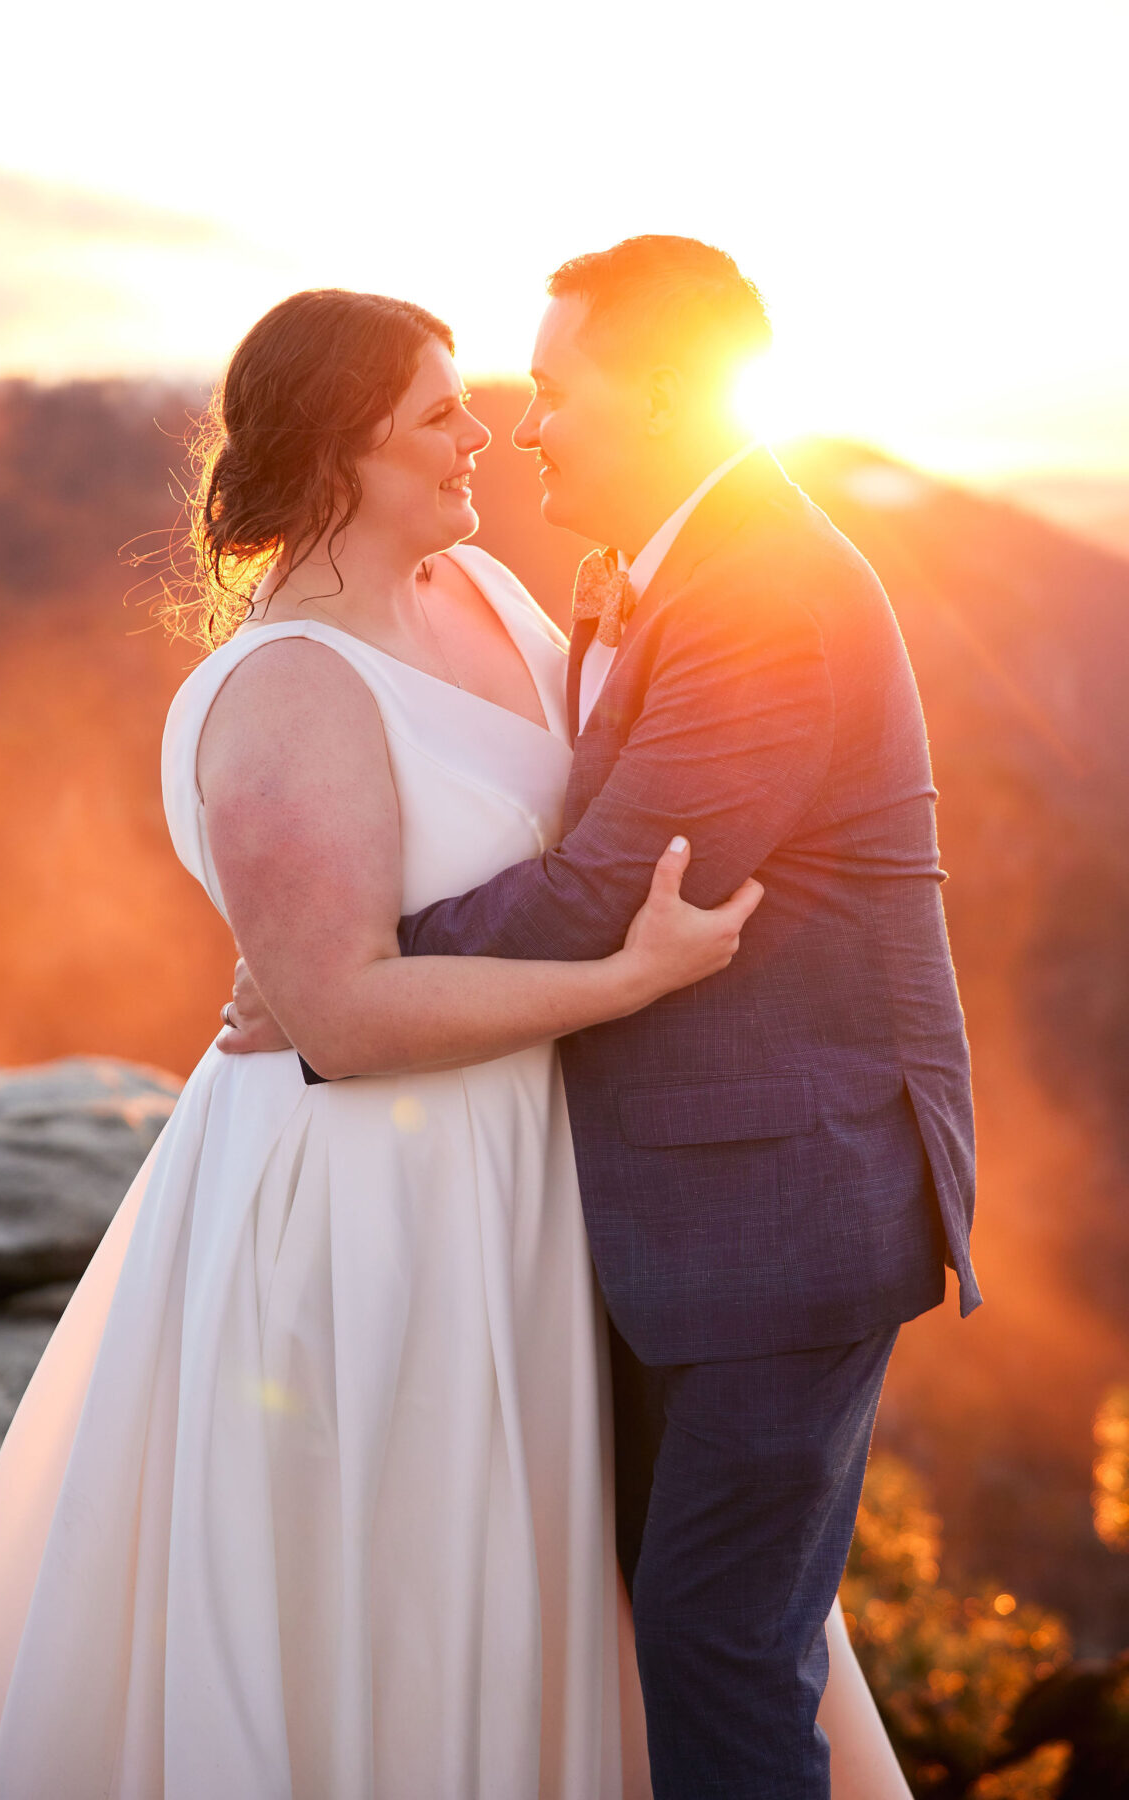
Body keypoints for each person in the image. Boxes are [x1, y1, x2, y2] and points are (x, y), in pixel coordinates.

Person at [227, 238, 979, 1798]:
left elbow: (619, 885)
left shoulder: (765, 585)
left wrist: (344, 970)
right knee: (681, 1622)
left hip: (784, 1207)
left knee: (717, 1648)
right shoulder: (682, 564)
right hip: (681, 1205)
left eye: (554, 388)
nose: (531, 422)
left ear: (654, 390)